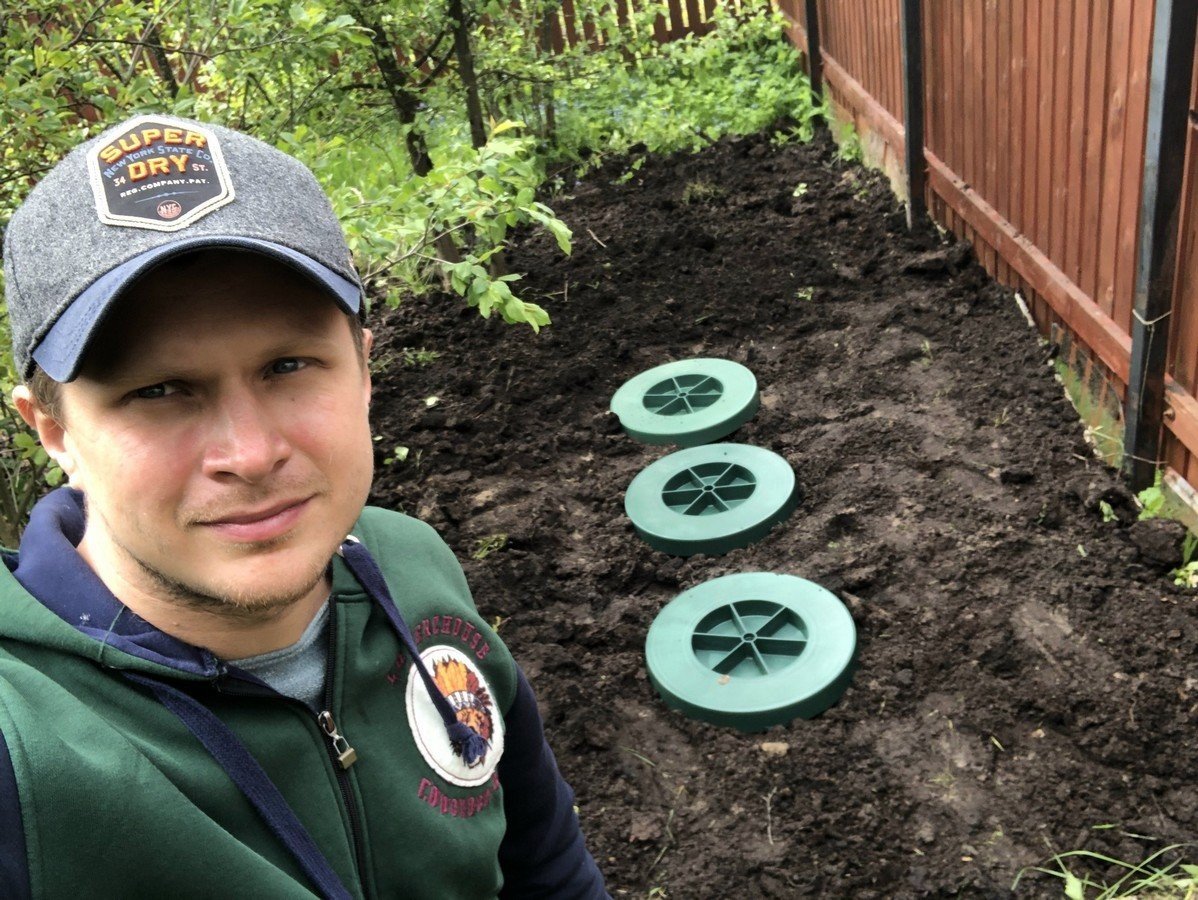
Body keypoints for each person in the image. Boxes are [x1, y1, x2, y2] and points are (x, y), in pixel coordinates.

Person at [0, 114, 608, 899]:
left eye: (288, 366)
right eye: (159, 391)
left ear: (363, 371)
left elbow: (547, 867)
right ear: (54, 431)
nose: (251, 454)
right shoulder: (24, 754)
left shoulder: (411, 566)